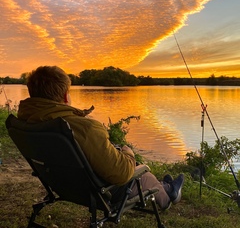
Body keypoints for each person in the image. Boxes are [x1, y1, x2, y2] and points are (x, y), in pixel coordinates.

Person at [17, 66, 184, 210]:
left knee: (131, 165)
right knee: (144, 173)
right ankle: (169, 195)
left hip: (63, 184)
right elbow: (121, 174)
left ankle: (165, 186)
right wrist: (129, 153)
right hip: (101, 191)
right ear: (66, 96)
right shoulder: (83, 127)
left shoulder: (26, 122)